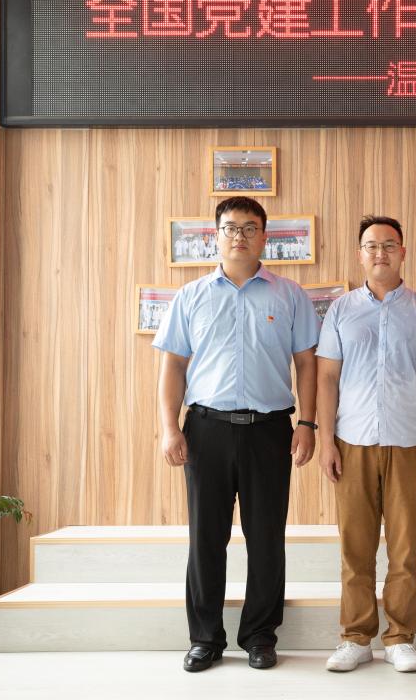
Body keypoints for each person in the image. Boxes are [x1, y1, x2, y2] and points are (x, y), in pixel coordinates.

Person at [153, 196, 320, 673]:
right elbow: (173, 366)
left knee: (266, 539)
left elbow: (307, 364)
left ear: (264, 236)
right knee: (206, 538)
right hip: (206, 431)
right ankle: (205, 638)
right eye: (230, 228)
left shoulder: (290, 295)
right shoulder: (191, 296)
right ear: (216, 235)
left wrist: (307, 424)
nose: (239, 236)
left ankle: (260, 636)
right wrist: (169, 428)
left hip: (269, 431)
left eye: (249, 228)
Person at [317, 215, 416, 674]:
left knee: (406, 548)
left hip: (411, 441)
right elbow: (327, 378)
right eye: (371, 245)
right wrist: (326, 441)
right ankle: (355, 637)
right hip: (351, 441)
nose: (381, 253)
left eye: (389, 245)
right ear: (360, 254)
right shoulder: (340, 311)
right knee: (354, 547)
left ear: (403, 252)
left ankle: (400, 637)